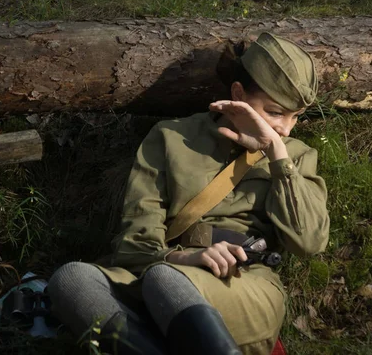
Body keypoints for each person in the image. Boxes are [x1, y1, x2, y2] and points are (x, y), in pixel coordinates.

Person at [48, 32, 330, 355]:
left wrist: (275, 153)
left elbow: (310, 242)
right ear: (238, 94)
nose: (285, 128)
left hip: (242, 285)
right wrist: (182, 257)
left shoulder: (294, 155)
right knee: (71, 280)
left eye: (295, 117)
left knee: (164, 281)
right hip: (163, 269)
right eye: (276, 112)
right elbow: (134, 245)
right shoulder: (171, 138)